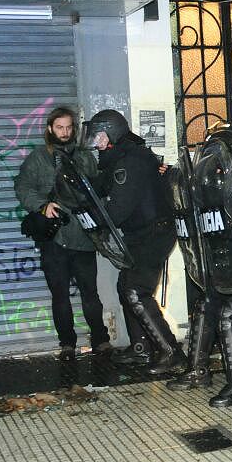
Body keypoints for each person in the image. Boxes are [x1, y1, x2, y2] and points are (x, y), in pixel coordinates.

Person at [86, 109, 185, 374]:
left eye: (98, 137)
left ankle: (171, 353)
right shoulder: (122, 157)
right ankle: (141, 348)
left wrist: (93, 216)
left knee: (135, 291)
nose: (95, 143)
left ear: (110, 135)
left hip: (153, 233)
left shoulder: (130, 162)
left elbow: (119, 208)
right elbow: (101, 186)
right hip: (144, 232)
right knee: (125, 287)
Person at [15, 106, 111, 361]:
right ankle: (67, 344)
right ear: (50, 128)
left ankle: (100, 339)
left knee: (90, 293)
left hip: (82, 235)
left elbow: (99, 188)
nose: (65, 132)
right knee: (60, 295)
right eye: (60, 127)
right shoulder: (38, 158)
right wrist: (42, 206)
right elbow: (23, 188)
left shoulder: (84, 157)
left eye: (69, 127)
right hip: (55, 238)